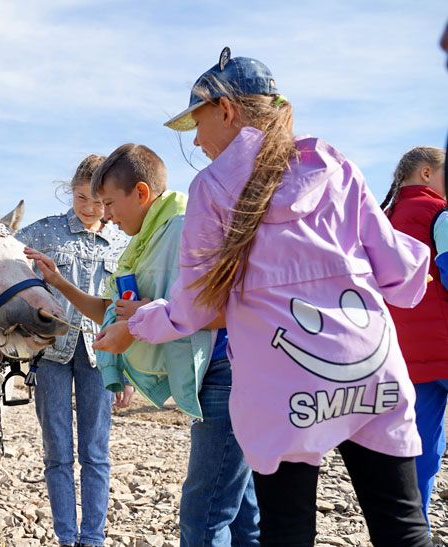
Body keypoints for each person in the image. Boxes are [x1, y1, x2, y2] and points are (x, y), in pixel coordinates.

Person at [93, 48, 432, 546]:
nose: (199, 141)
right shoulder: (333, 165)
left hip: (284, 386)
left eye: (199, 123)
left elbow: (197, 309)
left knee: (287, 529)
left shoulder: (212, 188)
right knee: (402, 527)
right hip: (371, 367)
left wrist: (138, 324)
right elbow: (401, 280)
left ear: (226, 110)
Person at [26, 144, 259, 546]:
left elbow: (231, 305)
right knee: (240, 516)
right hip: (214, 381)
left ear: (141, 193)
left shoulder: (187, 228)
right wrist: (62, 284)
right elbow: (117, 312)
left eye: (111, 204)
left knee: (203, 518)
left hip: (224, 375)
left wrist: (137, 325)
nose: (107, 216)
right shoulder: (144, 241)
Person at [17, 155, 131, 547]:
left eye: (98, 201)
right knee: (57, 451)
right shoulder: (44, 232)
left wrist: (126, 372)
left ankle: (93, 537)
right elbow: (2, 254)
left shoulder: (121, 239)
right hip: (50, 354)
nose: (90, 208)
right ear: (71, 191)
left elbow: (125, 305)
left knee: (96, 452)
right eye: (82, 197)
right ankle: (67, 537)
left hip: (102, 356)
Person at [381, 146, 447, 529]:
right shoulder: (438, 213)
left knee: (421, 446)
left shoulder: (383, 218)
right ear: (426, 173)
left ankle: (413, 529)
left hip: (407, 354)